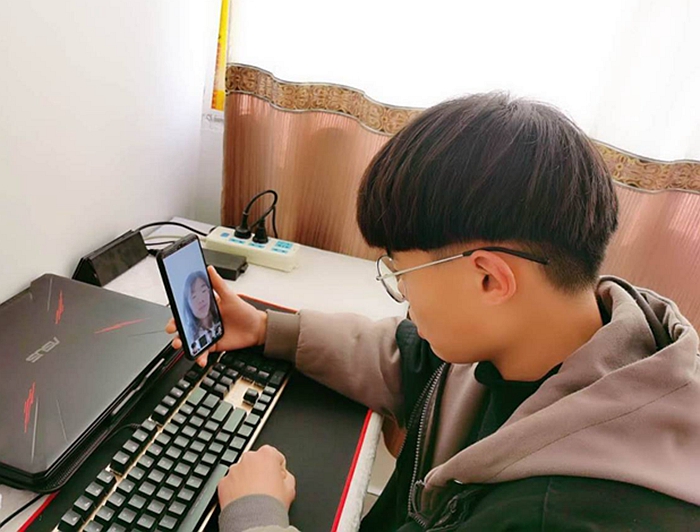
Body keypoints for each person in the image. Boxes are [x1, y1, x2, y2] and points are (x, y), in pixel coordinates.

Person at [166, 93, 700, 531]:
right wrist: (266, 327)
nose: (401, 293)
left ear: (490, 278)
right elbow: (411, 358)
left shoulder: (557, 514)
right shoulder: (566, 338)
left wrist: (254, 514)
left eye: (402, 273)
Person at [181, 270, 219, 352]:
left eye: (204, 291)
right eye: (194, 296)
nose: (201, 300)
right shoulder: (190, 337)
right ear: (188, 304)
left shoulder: (221, 320)